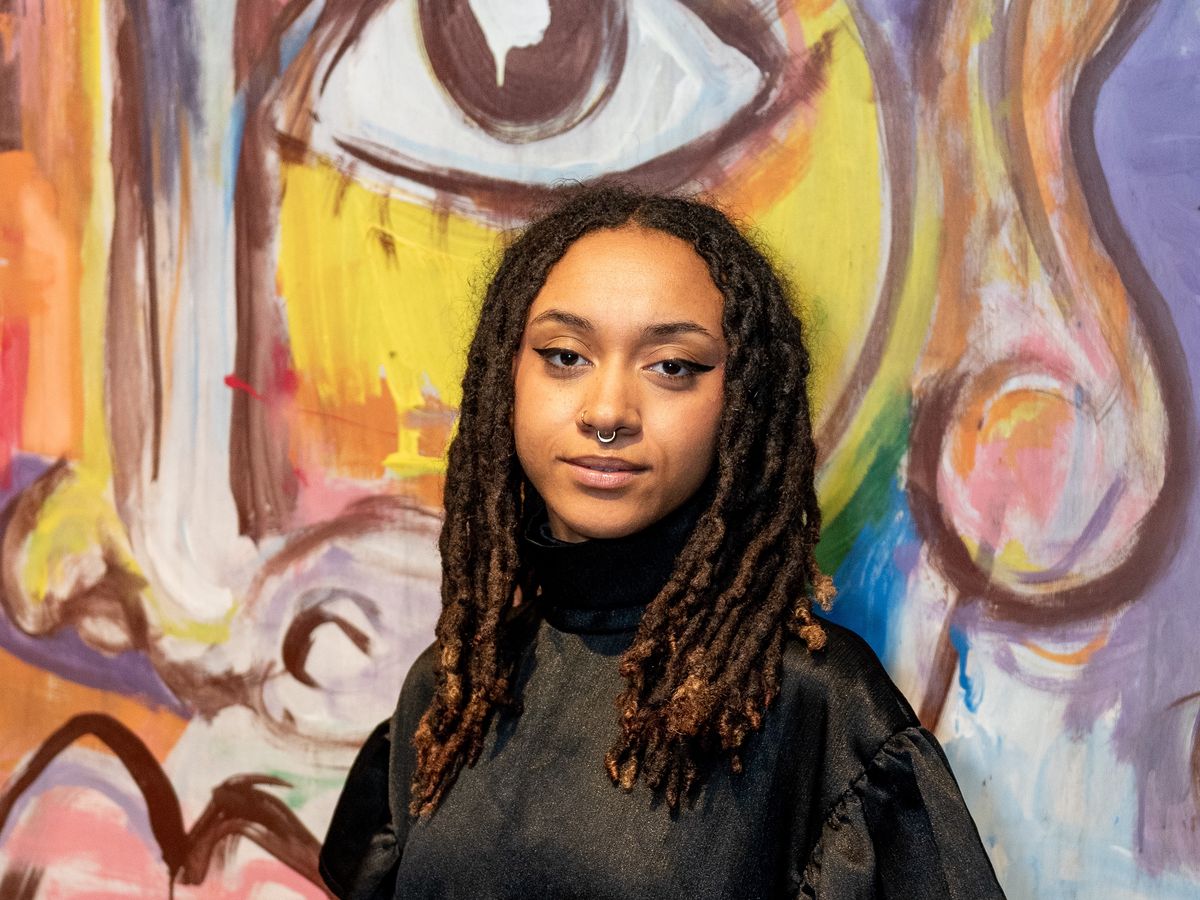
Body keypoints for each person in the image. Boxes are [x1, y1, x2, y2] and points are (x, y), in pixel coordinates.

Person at [318, 185, 1006, 899]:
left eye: (673, 366)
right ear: (506, 377)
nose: (607, 412)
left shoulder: (821, 708)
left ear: (741, 402)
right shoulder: (454, 690)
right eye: (564, 355)